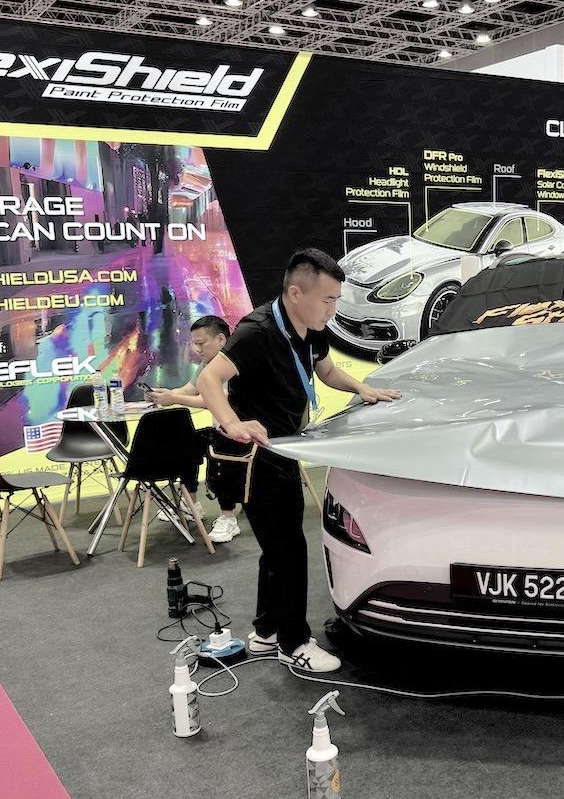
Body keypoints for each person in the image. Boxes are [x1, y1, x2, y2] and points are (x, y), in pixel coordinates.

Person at [196, 249, 402, 673]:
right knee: (288, 549)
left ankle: (267, 630)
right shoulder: (257, 331)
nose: (333, 308)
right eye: (327, 299)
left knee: (277, 548)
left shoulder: (312, 328)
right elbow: (208, 379)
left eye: (335, 299)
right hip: (256, 457)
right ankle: (294, 642)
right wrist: (233, 422)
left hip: (283, 449)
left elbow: (325, 371)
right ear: (295, 293)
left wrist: (362, 388)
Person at [147, 315, 247, 544]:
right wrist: (163, 394)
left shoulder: (234, 363)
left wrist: (174, 399)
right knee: (185, 443)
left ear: (221, 339)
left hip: (244, 432)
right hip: (221, 429)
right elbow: (190, 390)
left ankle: (228, 518)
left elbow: (213, 399)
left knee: (221, 449)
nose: (197, 349)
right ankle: (191, 504)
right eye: (195, 343)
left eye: (201, 343)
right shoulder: (206, 365)